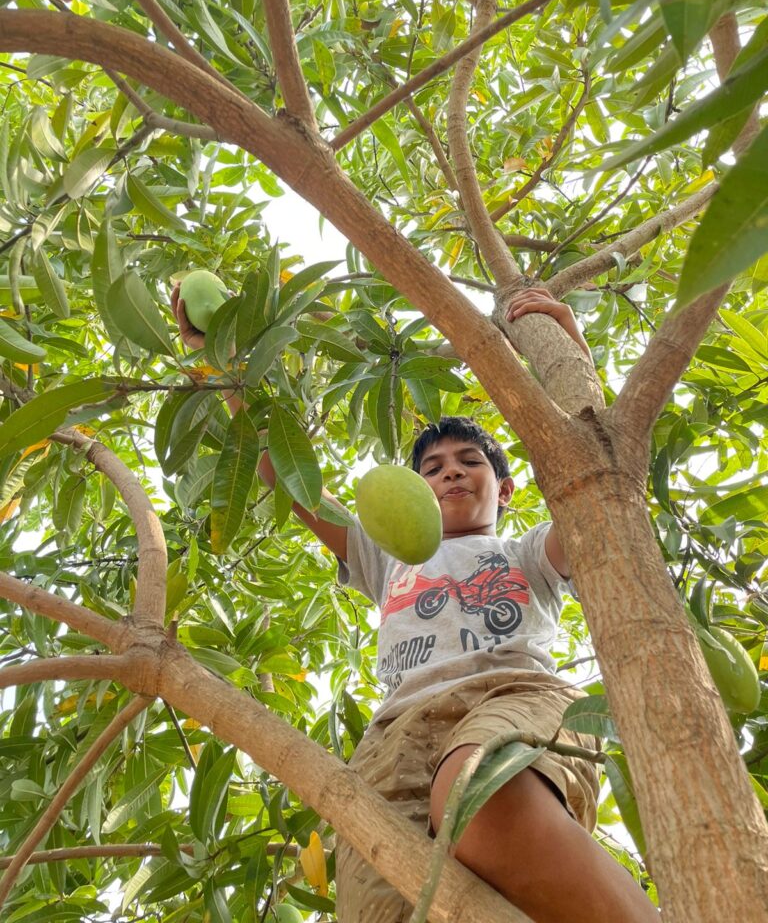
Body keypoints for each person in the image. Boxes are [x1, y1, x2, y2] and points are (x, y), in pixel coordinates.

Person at [172, 284, 658, 923]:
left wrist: (566, 353)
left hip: (509, 693)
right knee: (390, 908)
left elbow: (593, 483)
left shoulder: (530, 552)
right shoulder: (385, 556)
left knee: (478, 798)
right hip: (392, 735)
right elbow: (283, 472)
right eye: (432, 468)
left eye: (468, 461)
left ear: (505, 489)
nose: (450, 472)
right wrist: (226, 361)